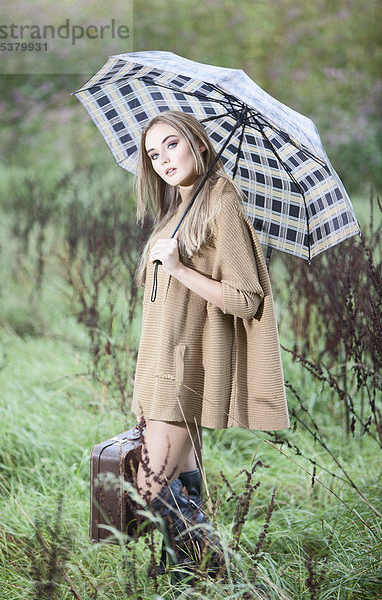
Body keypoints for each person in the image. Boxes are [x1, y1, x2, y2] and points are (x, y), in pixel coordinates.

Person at [131, 110, 289, 579]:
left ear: (199, 143)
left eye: (171, 145)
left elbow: (246, 299)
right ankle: (191, 581)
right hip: (159, 368)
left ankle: (219, 575)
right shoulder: (179, 209)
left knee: (150, 486)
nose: (162, 160)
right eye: (153, 154)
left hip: (184, 370)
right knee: (178, 480)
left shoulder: (222, 202)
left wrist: (179, 269)